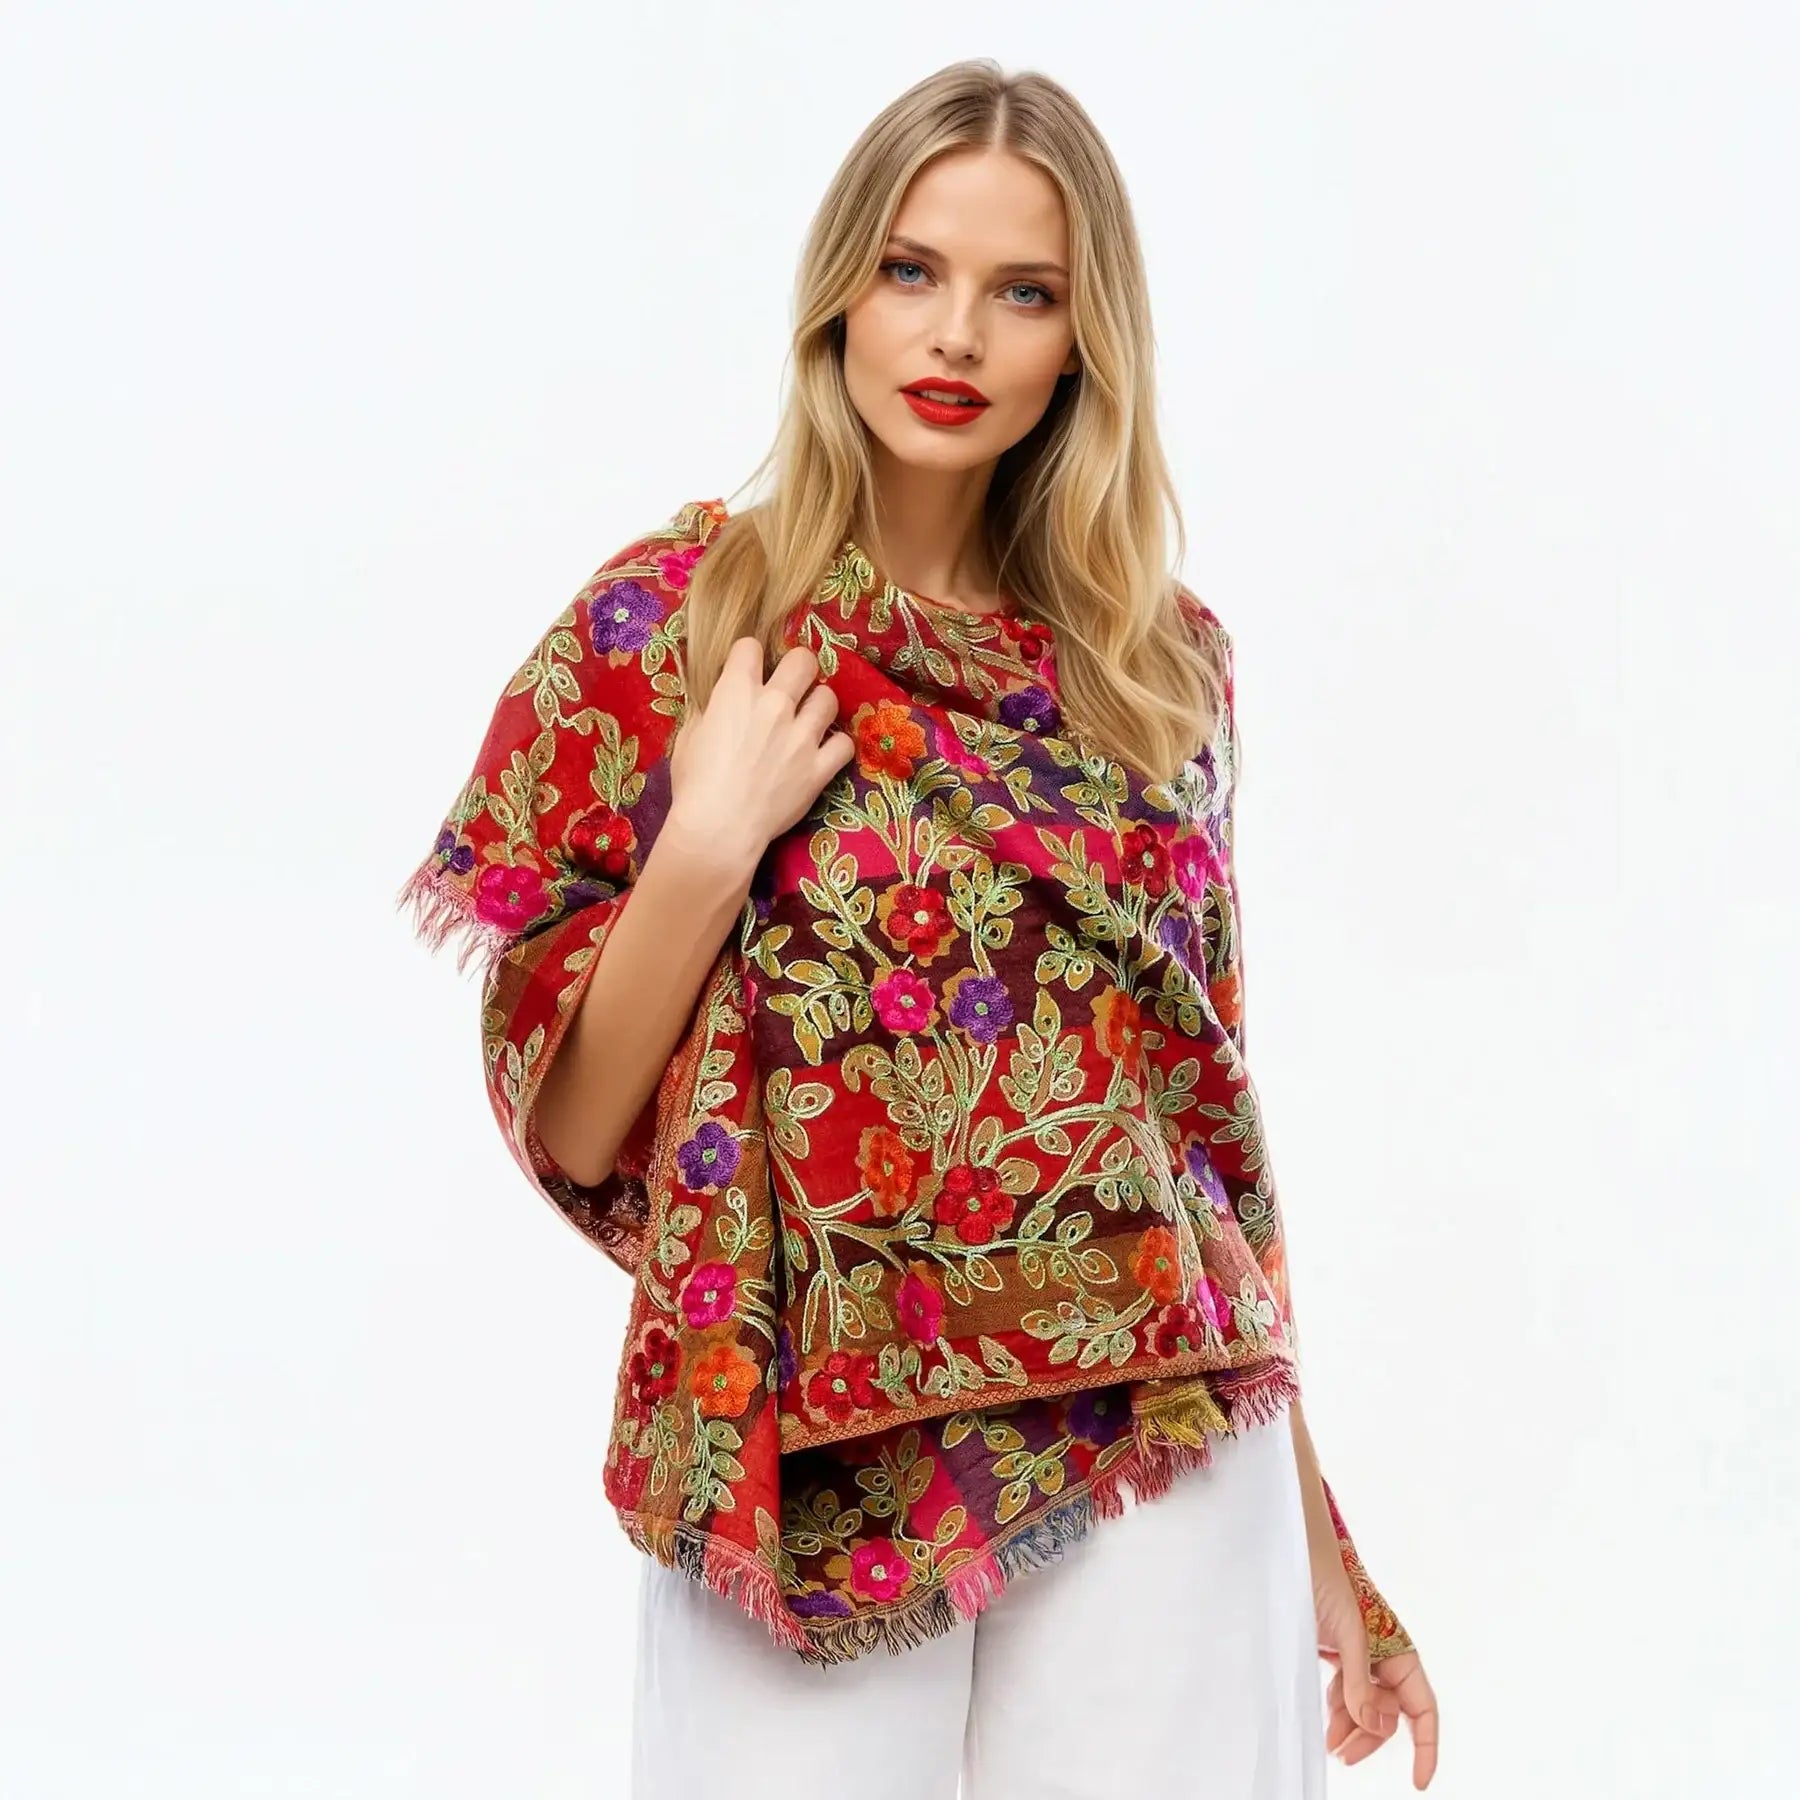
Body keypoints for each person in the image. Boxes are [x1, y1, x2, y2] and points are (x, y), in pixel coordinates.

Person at [399, 56, 1439, 1800]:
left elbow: (1201, 1131)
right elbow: (571, 1122)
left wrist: (1323, 1538)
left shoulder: (1156, 670)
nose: (956, 334)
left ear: (1083, 340)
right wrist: (704, 846)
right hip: (803, 1452)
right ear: (839, 293)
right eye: (911, 270)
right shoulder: (685, 621)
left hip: (1166, 1441)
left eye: (1023, 291)